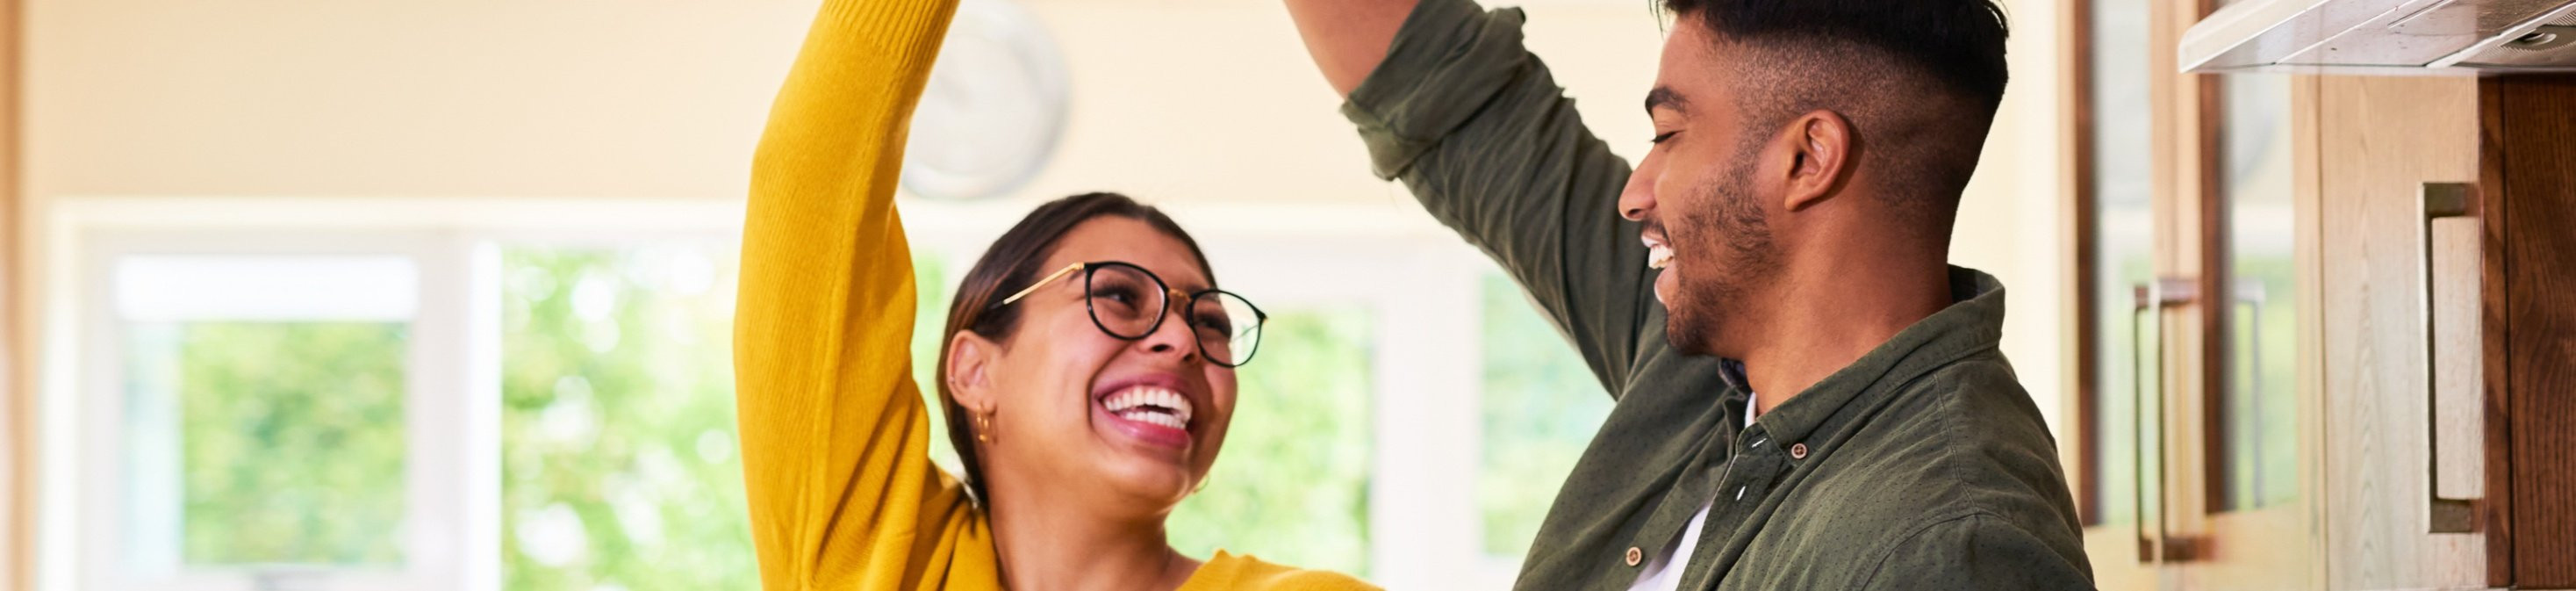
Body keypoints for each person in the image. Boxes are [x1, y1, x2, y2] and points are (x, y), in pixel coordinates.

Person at [1282, 0, 2092, 588]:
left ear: (1807, 159)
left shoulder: (1953, 546)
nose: (1634, 193)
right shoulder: (1701, 366)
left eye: (1668, 134)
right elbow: (1448, 99)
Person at [732, 1, 1378, 589]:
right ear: (974, 370)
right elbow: (811, 183)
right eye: (1118, 296)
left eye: (1211, 323)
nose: (1184, 339)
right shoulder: (882, 564)